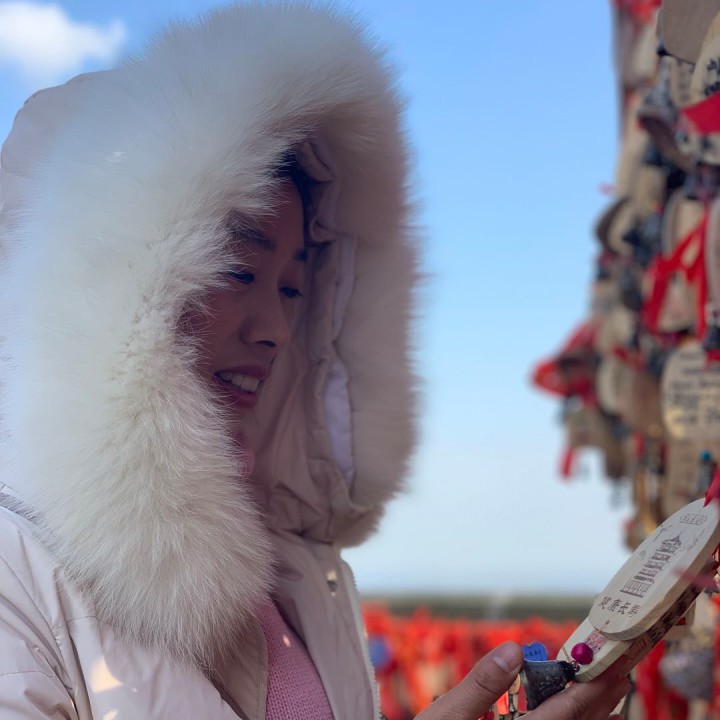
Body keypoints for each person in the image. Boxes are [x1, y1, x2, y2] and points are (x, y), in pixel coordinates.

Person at [0, 3, 630, 718]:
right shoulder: (17, 575)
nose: (276, 328)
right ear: (95, 291)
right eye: (237, 270)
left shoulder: (293, 571)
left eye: (294, 288)